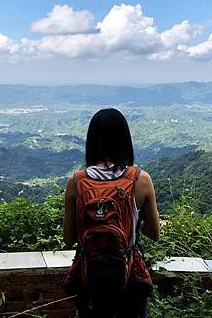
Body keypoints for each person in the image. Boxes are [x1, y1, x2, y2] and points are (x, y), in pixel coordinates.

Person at [63, 108, 160, 318]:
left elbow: (68, 239)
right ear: (125, 139)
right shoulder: (140, 179)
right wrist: (135, 225)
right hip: (129, 276)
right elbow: (154, 233)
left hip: (90, 278)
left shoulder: (76, 182)